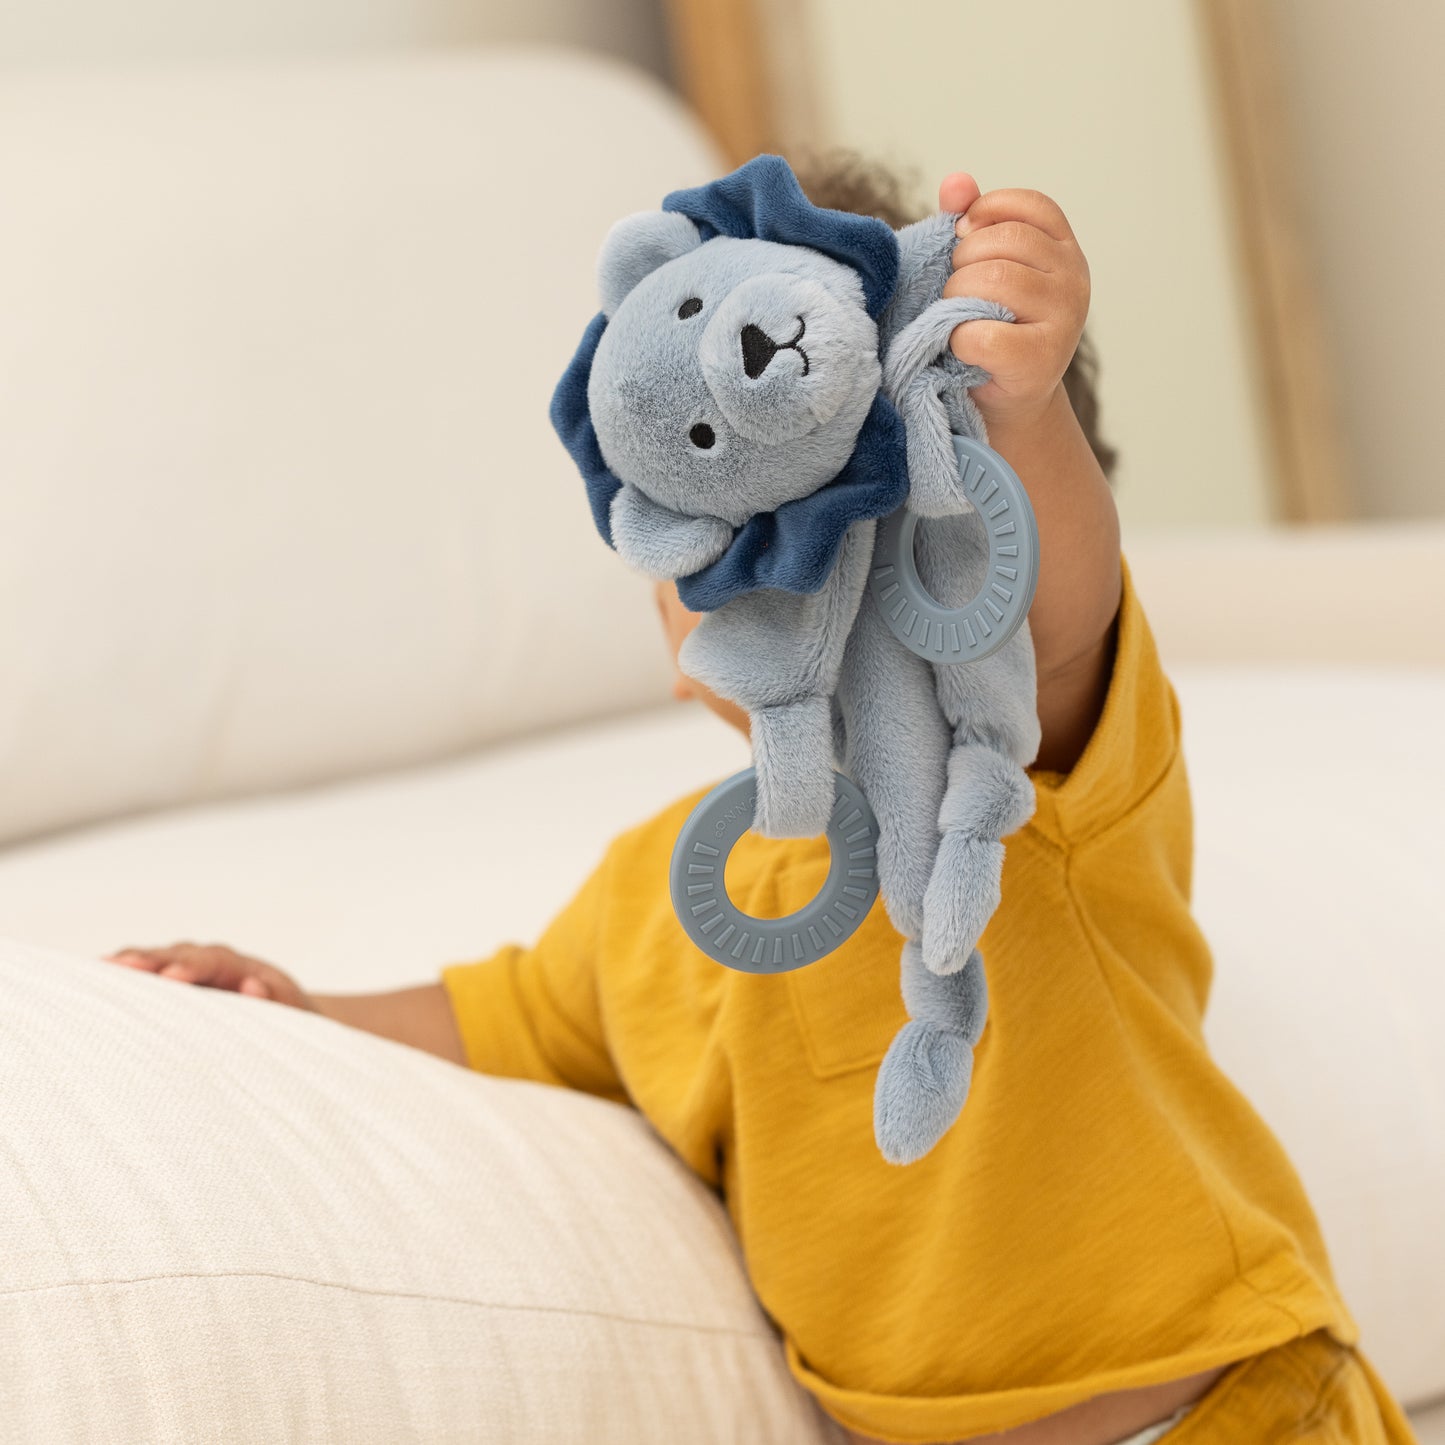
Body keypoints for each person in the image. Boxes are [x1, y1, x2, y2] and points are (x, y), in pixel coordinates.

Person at [102, 158, 1418, 1445]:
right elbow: (495, 1016)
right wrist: (296, 1007)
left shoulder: (1032, 785)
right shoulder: (657, 895)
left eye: (871, 522)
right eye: (727, 529)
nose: (798, 569)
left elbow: (1055, 618)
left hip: (1225, 1411)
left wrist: (1018, 403)